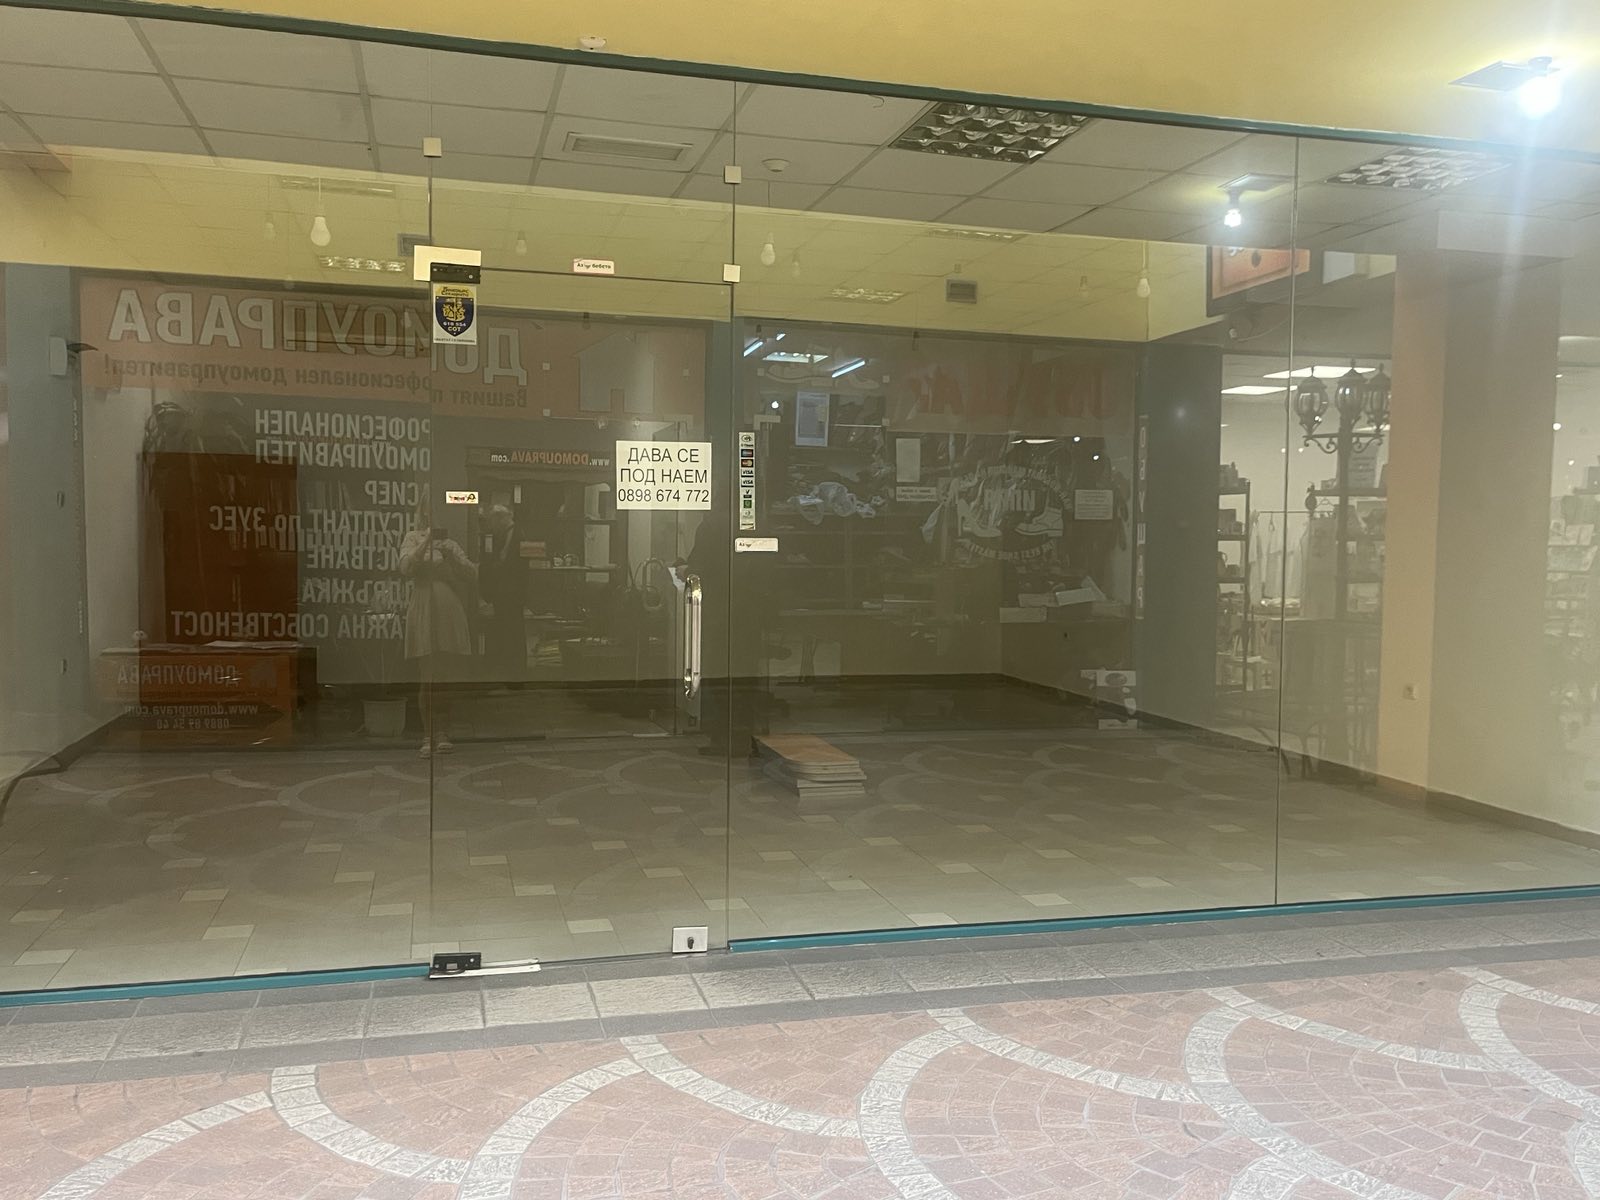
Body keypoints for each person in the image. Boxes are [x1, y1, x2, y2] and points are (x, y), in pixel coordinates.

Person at [399, 492, 476, 757]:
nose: (430, 515)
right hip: (423, 606)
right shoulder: (412, 538)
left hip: (447, 608)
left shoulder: (450, 544)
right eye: (427, 510)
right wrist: (426, 542)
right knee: (427, 674)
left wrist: (452, 557)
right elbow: (405, 567)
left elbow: (471, 573)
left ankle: (443, 730)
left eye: (435, 510)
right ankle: (427, 733)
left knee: (444, 675)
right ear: (420, 512)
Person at [478, 505, 528, 687]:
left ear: (501, 518)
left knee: (514, 633)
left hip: (513, 594)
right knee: (505, 633)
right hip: (502, 594)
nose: (491, 525)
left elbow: (520, 567)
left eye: (493, 520)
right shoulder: (501, 536)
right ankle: (506, 673)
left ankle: (516, 675)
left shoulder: (520, 534)